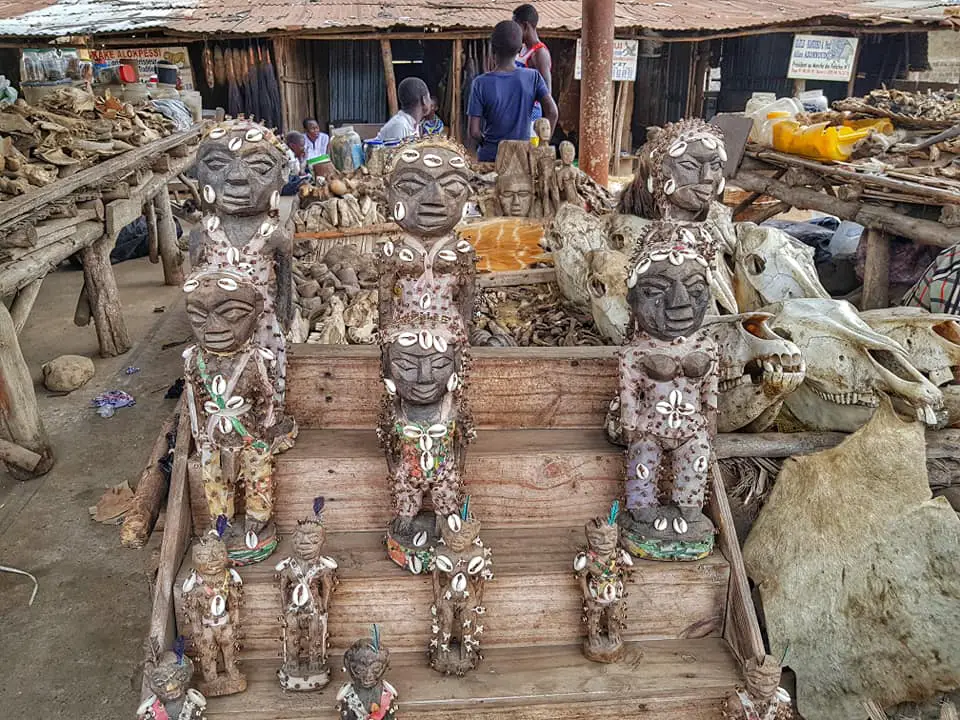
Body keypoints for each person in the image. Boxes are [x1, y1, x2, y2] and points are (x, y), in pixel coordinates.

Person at [468, 20, 558, 163]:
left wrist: (487, 143)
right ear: (519, 49)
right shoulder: (532, 77)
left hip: (491, 157)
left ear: (493, 49)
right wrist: (542, 145)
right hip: (522, 158)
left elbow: (474, 131)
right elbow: (552, 112)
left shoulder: (480, 83)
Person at [513, 4, 552, 137]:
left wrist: (545, 135)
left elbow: (546, 92)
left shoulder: (539, 54)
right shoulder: (523, 49)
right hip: (518, 113)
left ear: (525, 26)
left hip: (531, 118)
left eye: (515, 25)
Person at [377, 77, 431, 143]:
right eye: (429, 97)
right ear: (424, 100)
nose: (430, 102)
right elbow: (399, 153)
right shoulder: (400, 125)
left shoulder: (412, 125)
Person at [281, 131, 309, 196]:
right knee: (306, 179)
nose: (303, 148)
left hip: (288, 179)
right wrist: (302, 159)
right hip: (283, 186)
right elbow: (297, 172)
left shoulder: (291, 152)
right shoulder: (287, 153)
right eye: (302, 146)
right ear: (292, 145)